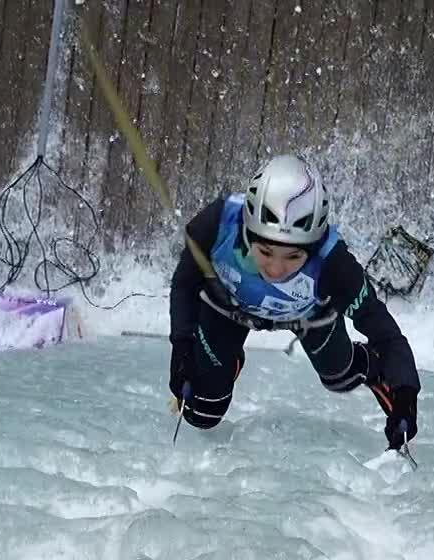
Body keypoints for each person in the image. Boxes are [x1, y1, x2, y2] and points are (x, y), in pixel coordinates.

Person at [168, 153, 420, 453]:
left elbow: (386, 334)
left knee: (340, 377)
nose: (275, 270)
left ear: (312, 249)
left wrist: (405, 393)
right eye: (264, 250)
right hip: (230, 308)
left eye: (293, 257)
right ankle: (228, 359)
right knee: (202, 413)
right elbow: (185, 284)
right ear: (248, 230)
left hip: (310, 315)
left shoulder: (335, 264)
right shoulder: (216, 224)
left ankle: (370, 367)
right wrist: (183, 347)